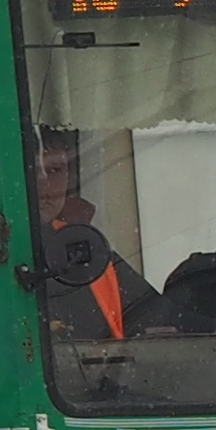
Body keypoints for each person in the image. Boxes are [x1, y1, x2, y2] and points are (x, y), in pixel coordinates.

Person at [27, 130, 163, 346]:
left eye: (55, 170)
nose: (45, 185)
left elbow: (159, 325)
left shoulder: (86, 248)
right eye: (32, 170)